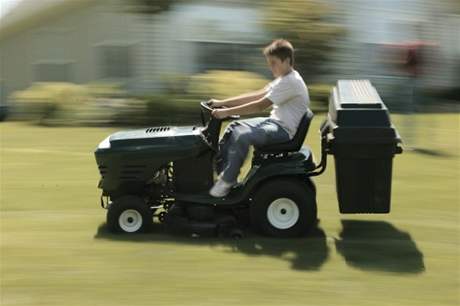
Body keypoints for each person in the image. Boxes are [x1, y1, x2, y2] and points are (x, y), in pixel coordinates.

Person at [209, 39, 311, 197]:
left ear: (287, 61)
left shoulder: (291, 82)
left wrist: (225, 112)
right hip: (274, 122)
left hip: (284, 130)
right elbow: (257, 95)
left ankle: (227, 181)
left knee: (243, 136)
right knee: (234, 127)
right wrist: (221, 103)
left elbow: (259, 106)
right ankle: (224, 175)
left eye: (273, 63)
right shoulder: (283, 78)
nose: (270, 67)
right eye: (269, 63)